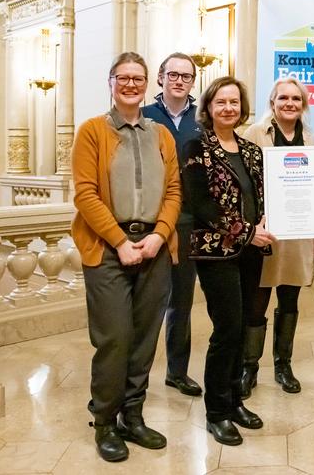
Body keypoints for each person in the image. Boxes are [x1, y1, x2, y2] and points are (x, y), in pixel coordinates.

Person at [71, 52, 181, 462]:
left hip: (153, 247)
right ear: (111, 82)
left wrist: (159, 236)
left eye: (138, 78)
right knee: (115, 337)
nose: (131, 84)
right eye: (123, 77)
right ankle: (104, 420)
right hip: (107, 248)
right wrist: (119, 241)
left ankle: (132, 416)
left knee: (144, 338)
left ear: (147, 83)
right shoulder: (92, 132)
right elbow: (85, 193)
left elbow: (173, 192)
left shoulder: (162, 135)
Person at [182, 76, 274, 446]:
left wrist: (268, 221)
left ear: (242, 107)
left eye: (234, 102)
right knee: (227, 330)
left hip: (252, 252)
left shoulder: (252, 150)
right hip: (215, 251)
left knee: (244, 326)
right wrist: (246, 231)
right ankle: (216, 411)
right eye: (221, 102)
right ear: (208, 107)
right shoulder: (195, 146)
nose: (228, 108)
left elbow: (266, 195)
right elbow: (201, 204)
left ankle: (235, 400)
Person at [240, 77, 314, 397]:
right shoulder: (253, 134)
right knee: (257, 300)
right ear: (272, 102)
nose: (289, 103)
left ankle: (283, 365)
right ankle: (249, 367)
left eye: (295, 99)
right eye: (283, 98)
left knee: (289, 298)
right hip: (265, 233)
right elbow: (242, 182)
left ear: (303, 105)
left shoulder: (312, 140)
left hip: (299, 233)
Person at [142, 52, 203, 397]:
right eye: (173, 74)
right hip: (152, 222)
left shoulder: (203, 118)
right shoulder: (145, 116)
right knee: (149, 303)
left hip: (191, 222)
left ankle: (177, 372)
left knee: (181, 301)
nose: (180, 80)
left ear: (193, 82)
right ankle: (137, 376)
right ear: (160, 79)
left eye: (187, 76)